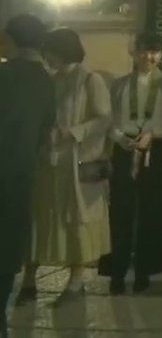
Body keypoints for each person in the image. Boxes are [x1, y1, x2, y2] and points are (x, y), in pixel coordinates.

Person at [19, 28, 112, 305]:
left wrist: (73, 132)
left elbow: (104, 119)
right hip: (47, 161)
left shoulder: (90, 81)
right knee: (40, 218)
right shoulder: (50, 80)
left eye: (49, 50)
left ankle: (75, 280)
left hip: (76, 163)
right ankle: (28, 278)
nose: (46, 56)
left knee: (76, 220)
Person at [98, 34, 162, 294]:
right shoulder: (119, 85)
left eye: (154, 53)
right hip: (124, 147)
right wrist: (119, 138)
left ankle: (144, 272)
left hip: (156, 148)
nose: (148, 58)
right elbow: (107, 118)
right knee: (120, 213)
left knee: (151, 213)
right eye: (143, 52)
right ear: (134, 53)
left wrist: (153, 134)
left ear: (161, 56)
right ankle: (116, 273)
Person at [0, 15, 56, 333]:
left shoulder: (3, 74)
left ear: (12, 40)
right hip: (22, 174)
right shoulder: (46, 82)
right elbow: (45, 131)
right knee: (8, 249)